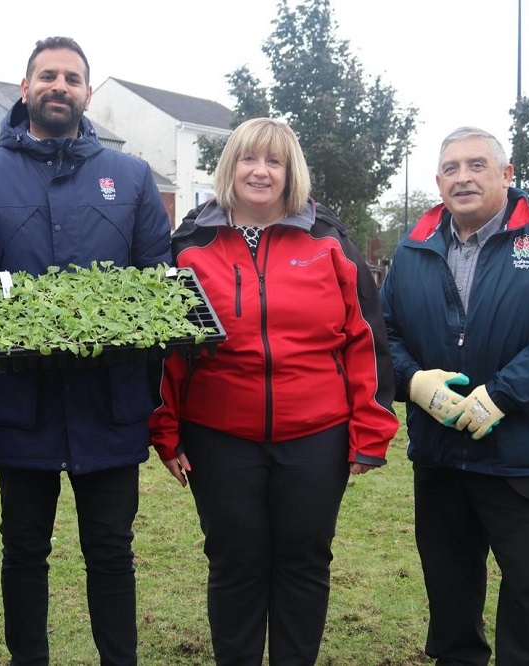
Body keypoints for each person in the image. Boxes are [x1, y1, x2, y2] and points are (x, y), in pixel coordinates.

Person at [0, 36, 171, 665]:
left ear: (86, 94)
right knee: (23, 549)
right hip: (25, 398)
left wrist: (122, 323)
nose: (59, 87)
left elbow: (157, 274)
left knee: (110, 547)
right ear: (25, 88)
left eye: (72, 78)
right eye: (47, 75)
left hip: (110, 399)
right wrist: (5, 327)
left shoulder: (129, 177)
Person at [149, 118, 398, 665]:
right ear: (230, 167)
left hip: (317, 437)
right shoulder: (190, 244)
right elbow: (167, 348)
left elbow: (365, 339)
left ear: (291, 172)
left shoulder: (328, 240)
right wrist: (165, 432)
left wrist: (370, 430)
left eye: (274, 161)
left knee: (304, 563)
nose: (260, 171)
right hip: (219, 438)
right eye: (248, 159)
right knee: (234, 564)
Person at [380, 126, 529, 665]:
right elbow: (385, 334)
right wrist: (413, 383)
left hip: (526, 452)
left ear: (506, 175)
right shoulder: (413, 246)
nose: (463, 177)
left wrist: (504, 396)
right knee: (449, 595)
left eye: (477, 165)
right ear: (438, 180)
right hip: (442, 454)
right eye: (451, 168)